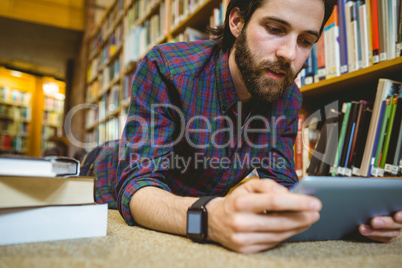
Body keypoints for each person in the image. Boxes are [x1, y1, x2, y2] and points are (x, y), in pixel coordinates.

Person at [104, 0, 402, 254]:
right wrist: (208, 218)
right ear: (237, 21)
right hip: (103, 179)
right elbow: (137, 185)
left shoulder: (287, 98)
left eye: (305, 41)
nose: (289, 54)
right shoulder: (166, 67)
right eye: (274, 29)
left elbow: (283, 185)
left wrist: (353, 222)